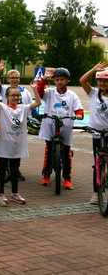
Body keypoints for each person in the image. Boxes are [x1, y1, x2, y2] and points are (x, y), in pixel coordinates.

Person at [0, 84, 42, 204]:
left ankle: (15, 193)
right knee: (2, 170)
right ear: (7, 96)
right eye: (13, 95)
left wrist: (34, 89)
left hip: (17, 145)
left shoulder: (23, 108)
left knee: (15, 170)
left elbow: (38, 103)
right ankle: (1, 193)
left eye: (18, 95)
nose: (16, 97)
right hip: (4, 144)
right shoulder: (2, 107)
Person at [36, 67, 84, 189]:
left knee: (66, 152)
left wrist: (78, 114)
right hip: (50, 124)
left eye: (62, 79)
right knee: (49, 150)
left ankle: (67, 178)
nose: (59, 82)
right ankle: (46, 175)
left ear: (67, 80)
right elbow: (39, 92)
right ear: (54, 81)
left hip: (66, 126)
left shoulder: (72, 95)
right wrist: (43, 80)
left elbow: (79, 109)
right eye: (57, 80)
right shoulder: (50, 92)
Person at [80, 62, 108, 204]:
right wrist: (93, 69)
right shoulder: (93, 94)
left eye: (105, 81)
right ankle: (96, 193)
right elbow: (82, 81)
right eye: (100, 80)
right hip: (97, 134)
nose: (102, 83)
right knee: (97, 164)